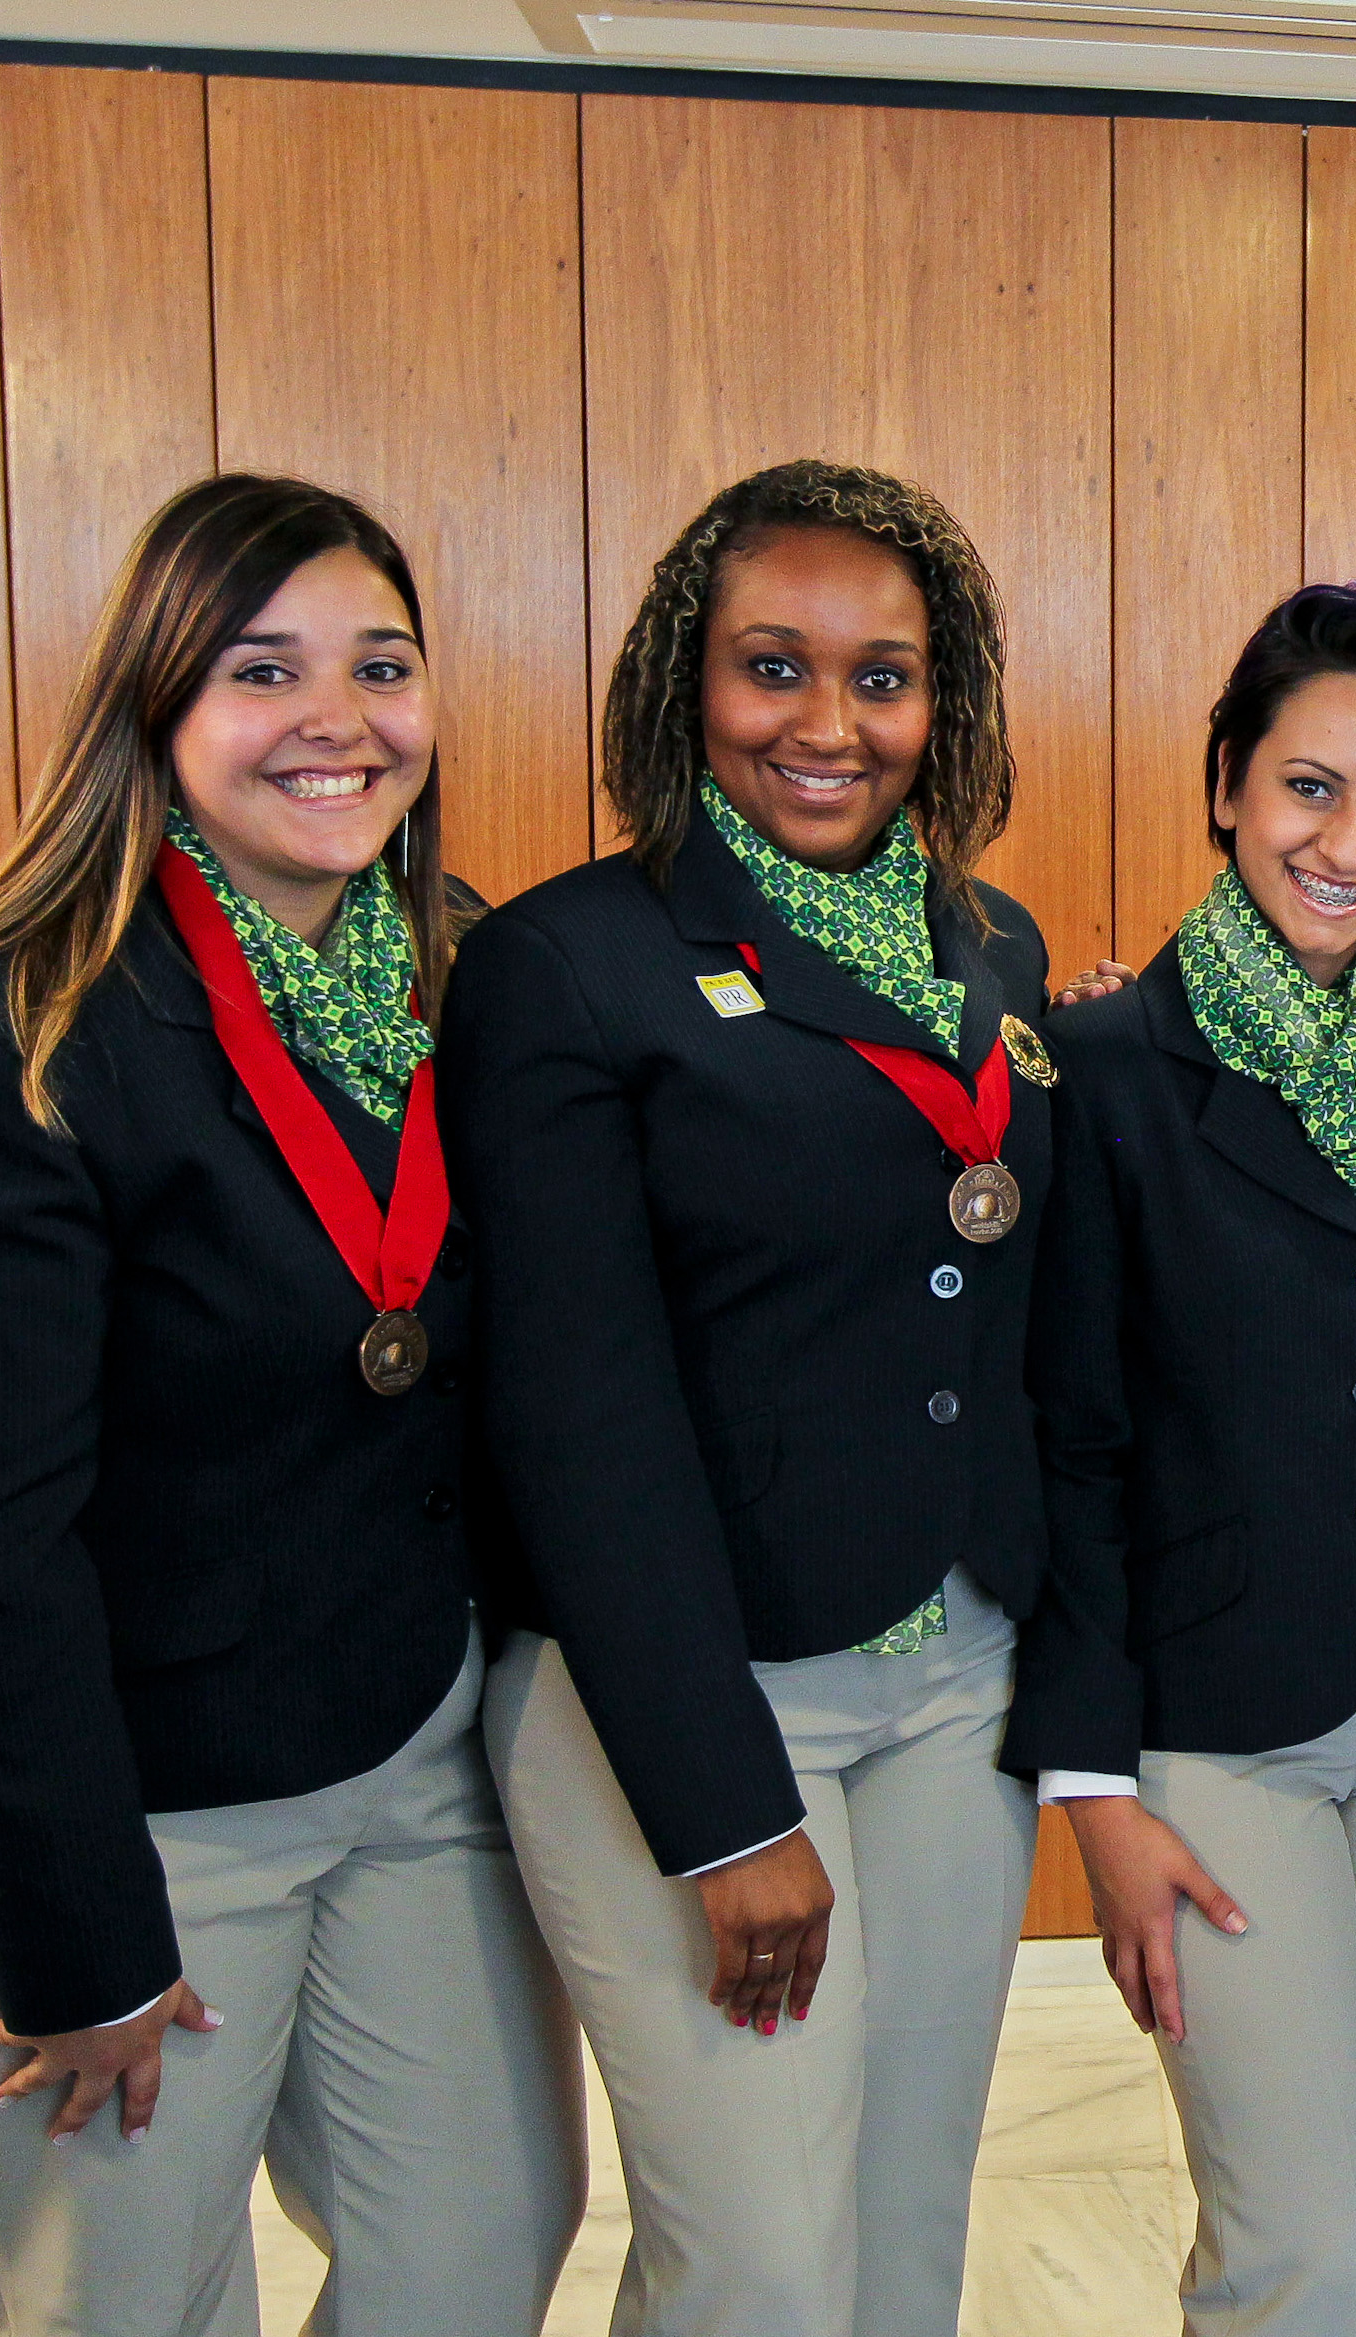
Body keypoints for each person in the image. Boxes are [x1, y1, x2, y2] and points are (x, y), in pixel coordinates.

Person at [0, 473, 582, 2335]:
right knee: (126, 2299)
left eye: (381, 665)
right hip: (108, 1786)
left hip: (399, 1738)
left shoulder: (462, 978)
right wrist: (73, 1942)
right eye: (263, 669)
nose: (339, 718)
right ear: (153, 715)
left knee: (479, 2245)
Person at [439, 460, 1056, 2337]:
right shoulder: (568, 963)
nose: (828, 723)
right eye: (771, 666)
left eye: (884, 677)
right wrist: (720, 1812)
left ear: (942, 703)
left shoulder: (992, 946)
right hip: (694, 1694)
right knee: (758, 2264)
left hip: (955, 1672)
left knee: (898, 2230)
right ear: (680, 682)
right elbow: (575, 1415)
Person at [1011, 580, 1356, 2337]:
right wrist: (1092, 1790)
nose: (1350, 845)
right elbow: (1065, 1445)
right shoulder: (1094, 1067)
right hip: (1213, 1722)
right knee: (1289, 2244)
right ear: (1230, 778)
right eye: (1311, 787)